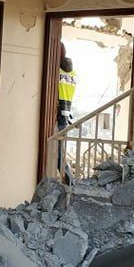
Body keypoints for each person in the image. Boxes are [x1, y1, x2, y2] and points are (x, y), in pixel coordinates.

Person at [56, 43, 77, 182]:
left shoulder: (56, 71)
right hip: (66, 113)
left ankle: (68, 180)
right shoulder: (72, 74)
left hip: (57, 113)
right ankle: (68, 178)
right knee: (59, 149)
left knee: (57, 151)